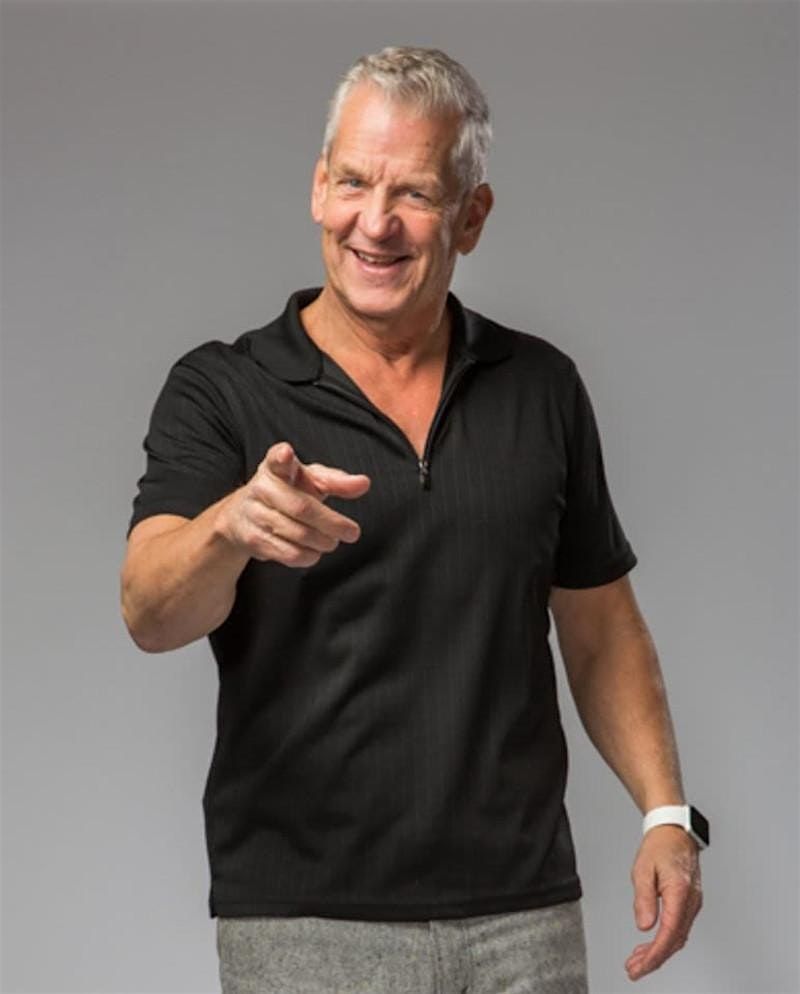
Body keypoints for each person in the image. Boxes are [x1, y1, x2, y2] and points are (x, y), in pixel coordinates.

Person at [121, 46, 706, 994]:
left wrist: (666, 815)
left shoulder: (541, 387)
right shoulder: (222, 390)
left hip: (523, 921)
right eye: (354, 182)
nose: (376, 222)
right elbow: (149, 612)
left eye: (416, 194)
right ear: (318, 188)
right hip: (306, 927)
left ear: (472, 216)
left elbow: (600, 627)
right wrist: (230, 528)